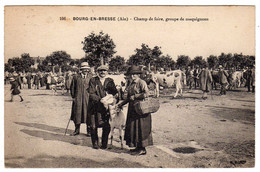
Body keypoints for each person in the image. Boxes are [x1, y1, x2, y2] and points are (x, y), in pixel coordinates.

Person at [117, 65, 153, 156]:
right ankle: (137, 147)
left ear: (138, 75)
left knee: (141, 128)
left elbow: (147, 94)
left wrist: (136, 96)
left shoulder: (142, 82)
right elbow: (129, 98)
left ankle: (142, 149)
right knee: (134, 128)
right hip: (133, 109)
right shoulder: (131, 84)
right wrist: (121, 104)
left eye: (134, 74)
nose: (132, 76)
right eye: (131, 75)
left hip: (141, 109)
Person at [88, 65, 118, 149]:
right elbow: (91, 93)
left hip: (105, 108)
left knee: (106, 125)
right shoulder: (93, 80)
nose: (102, 72)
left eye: (104, 71)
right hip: (94, 106)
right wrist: (101, 100)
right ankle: (95, 143)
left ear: (107, 72)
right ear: (98, 72)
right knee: (93, 126)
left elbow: (114, 92)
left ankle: (104, 143)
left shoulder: (110, 81)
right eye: (101, 71)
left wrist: (115, 97)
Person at [70, 62, 92, 136]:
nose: (85, 70)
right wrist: (73, 97)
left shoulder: (91, 77)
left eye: (87, 69)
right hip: (78, 98)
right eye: (84, 69)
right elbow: (72, 87)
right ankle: (77, 130)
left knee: (88, 114)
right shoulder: (76, 77)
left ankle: (89, 131)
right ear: (81, 70)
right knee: (77, 114)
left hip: (87, 98)